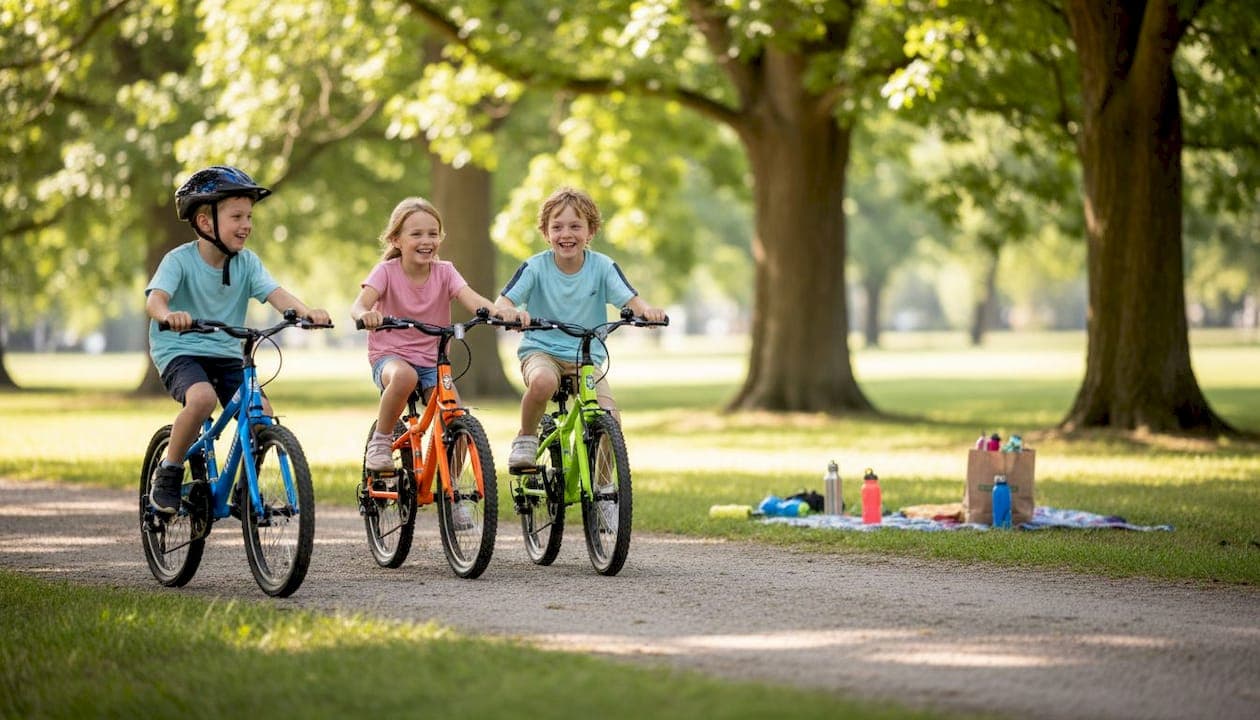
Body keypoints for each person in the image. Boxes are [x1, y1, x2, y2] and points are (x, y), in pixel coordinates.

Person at [145, 165, 331, 515]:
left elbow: (276, 294)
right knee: (201, 399)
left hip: (227, 352)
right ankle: (168, 472)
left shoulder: (247, 263)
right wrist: (168, 316)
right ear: (205, 222)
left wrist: (306, 313)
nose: (246, 224)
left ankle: (247, 492)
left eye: (249, 216)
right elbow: (155, 299)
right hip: (180, 350)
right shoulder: (179, 261)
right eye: (237, 216)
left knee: (263, 415)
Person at [494, 186, 666, 470]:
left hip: (585, 358)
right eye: (557, 227)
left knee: (609, 417)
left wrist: (647, 313)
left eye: (576, 226)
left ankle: (604, 493)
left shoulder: (602, 267)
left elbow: (633, 301)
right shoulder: (535, 267)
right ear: (546, 233)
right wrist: (510, 313)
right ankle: (525, 438)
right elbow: (503, 302)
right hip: (541, 351)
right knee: (543, 382)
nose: (566, 234)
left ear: (591, 232)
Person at [351, 197, 521, 472]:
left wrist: (501, 314)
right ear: (396, 239)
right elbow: (358, 305)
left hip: (432, 360)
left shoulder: (445, 272)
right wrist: (365, 315)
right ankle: (381, 441)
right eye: (416, 234)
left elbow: (473, 300)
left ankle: (454, 497)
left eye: (433, 233)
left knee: (456, 418)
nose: (426, 240)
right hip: (391, 358)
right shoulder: (386, 272)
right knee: (406, 376)